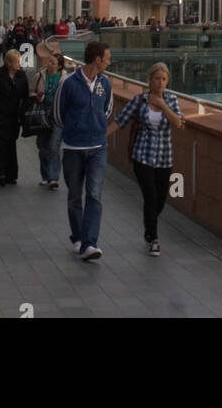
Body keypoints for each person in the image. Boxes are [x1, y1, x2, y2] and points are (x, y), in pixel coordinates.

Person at [109, 62, 184, 255]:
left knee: (160, 199)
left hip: (164, 157)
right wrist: (101, 137)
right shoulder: (139, 100)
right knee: (150, 197)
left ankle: (149, 225)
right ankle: (153, 238)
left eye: (164, 79)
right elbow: (121, 121)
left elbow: (179, 123)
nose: (160, 83)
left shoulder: (172, 99)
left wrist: (162, 105)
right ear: (149, 80)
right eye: (157, 79)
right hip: (143, 155)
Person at [54, 41, 113, 261]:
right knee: (74, 195)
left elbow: (106, 111)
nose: (109, 61)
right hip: (73, 148)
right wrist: (74, 128)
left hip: (97, 146)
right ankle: (78, 237)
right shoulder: (69, 83)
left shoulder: (105, 84)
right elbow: (58, 114)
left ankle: (90, 243)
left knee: (94, 194)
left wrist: (96, 127)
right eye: (107, 57)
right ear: (97, 59)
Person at [0, 48, 28, 186]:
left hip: (15, 117)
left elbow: (25, 96)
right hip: (0, 116)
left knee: (11, 144)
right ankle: (1, 172)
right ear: (9, 63)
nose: (19, 64)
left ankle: (11, 174)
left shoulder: (21, 76)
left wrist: (25, 114)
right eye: (17, 62)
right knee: (1, 144)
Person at [31, 44, 68, 189]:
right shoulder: (40, 76)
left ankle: (53, 178)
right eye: (49, 61)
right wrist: (36, 96)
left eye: (52, 63)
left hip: (58, 115)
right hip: (42, 113)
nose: (49, 64)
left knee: (53, 147)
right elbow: (31, 91)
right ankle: (45, 175)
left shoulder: (65, 79)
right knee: (42, 146)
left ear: (59, 67)